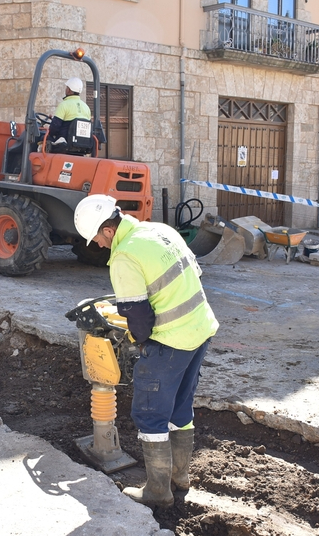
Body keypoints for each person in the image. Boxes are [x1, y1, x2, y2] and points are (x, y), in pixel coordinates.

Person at [73, 194, 219, 509]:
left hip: (170, 342)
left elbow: (139, 317)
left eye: (97, 238)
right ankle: (180, 478)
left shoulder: (124, 256)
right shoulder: (161, 231)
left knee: (150, 414)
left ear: (108, 231)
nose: (98, 245)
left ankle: (157, 492)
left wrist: (141, 342)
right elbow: (193, 276)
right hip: (201, 329)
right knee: (180, 409)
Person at [47, 77, 91, 147]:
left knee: (41, 137)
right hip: (82, 145)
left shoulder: (64, 105)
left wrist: (51, 131)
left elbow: (54, 128)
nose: (66, 89)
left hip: (64, 143)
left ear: (69, 90)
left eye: (67, 87)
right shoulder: (86, 108)